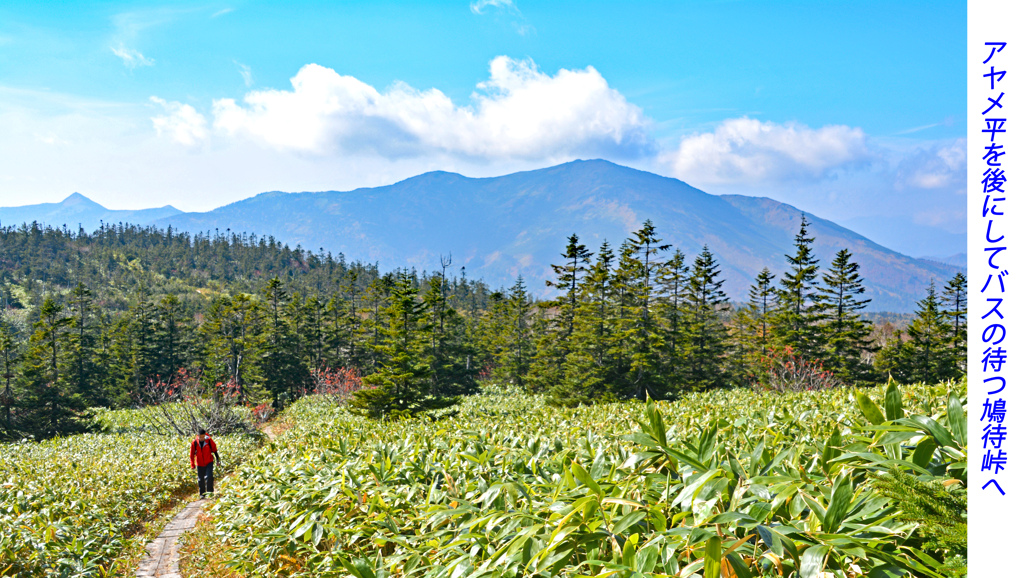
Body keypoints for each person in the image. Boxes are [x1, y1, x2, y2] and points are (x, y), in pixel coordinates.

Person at [190, 428, 220, 497]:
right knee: (201, 480)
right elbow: (192, 454)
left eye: (203, 437)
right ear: (198, 436)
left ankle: (210, 493)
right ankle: (202, 494)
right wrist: (192, 464)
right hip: (199, 463)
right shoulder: (194, 443)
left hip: (209, 462)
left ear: (205, 436)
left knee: (209, 477)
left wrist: (218, 460)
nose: (202, 438)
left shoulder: (209, 441)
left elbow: (215, 450)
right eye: (200, 437)